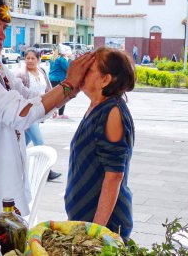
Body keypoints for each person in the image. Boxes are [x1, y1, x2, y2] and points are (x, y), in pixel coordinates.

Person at [0, 0, 94, 234]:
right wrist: (68, 85)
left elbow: (31, 102)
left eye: (3, 27)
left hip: (1, 192)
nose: (1, 34)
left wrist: (71, 89)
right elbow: (21, 113)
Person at [65, 47, 135, 242]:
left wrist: (95, 232)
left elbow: (114, 176)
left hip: (103, 225)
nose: (81, 73)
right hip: (85, 219)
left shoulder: (112, 111)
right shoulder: (96, 106)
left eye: (89, 69)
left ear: (105, 80)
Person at [17, 48, 61, 181]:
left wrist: (54, 107)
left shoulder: (41, 72)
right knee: (39, 142)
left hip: (40, 112)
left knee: (22, 144)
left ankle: (12, 166)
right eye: (27, 58)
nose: (30, 60)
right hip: (28, 113)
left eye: (33, 58)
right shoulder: (21, 74)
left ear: (38, 59)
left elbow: (49, 90)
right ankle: (46, 172)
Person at [48, 45, 72, 119]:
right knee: (64, 97)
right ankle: (61, 114)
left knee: (54, 97)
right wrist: (69, 59)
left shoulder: (52, 58)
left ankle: (52, 113)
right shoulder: (62, 59)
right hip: (61, 80)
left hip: (52, 79)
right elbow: (68, 68)